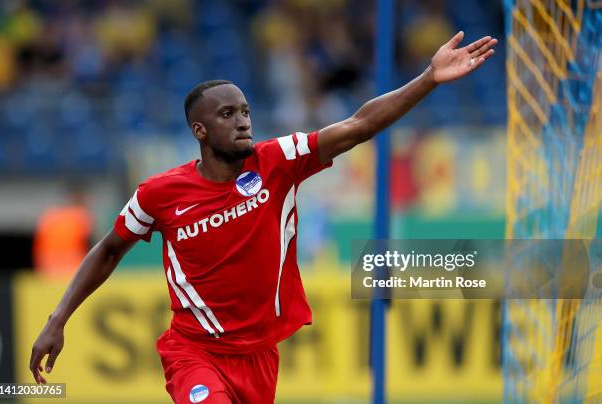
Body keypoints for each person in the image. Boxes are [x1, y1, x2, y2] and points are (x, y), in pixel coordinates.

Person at [30, 31, 497, 403]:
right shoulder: (159, 194)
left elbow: (359, 125)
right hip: (194, 352)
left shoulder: (278, 161)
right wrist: (57, 319)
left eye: (246, 111)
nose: (243, 121)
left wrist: (428, 79)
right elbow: (110, 249)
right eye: (228, 113)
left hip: (258, 357)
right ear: (200, 130)